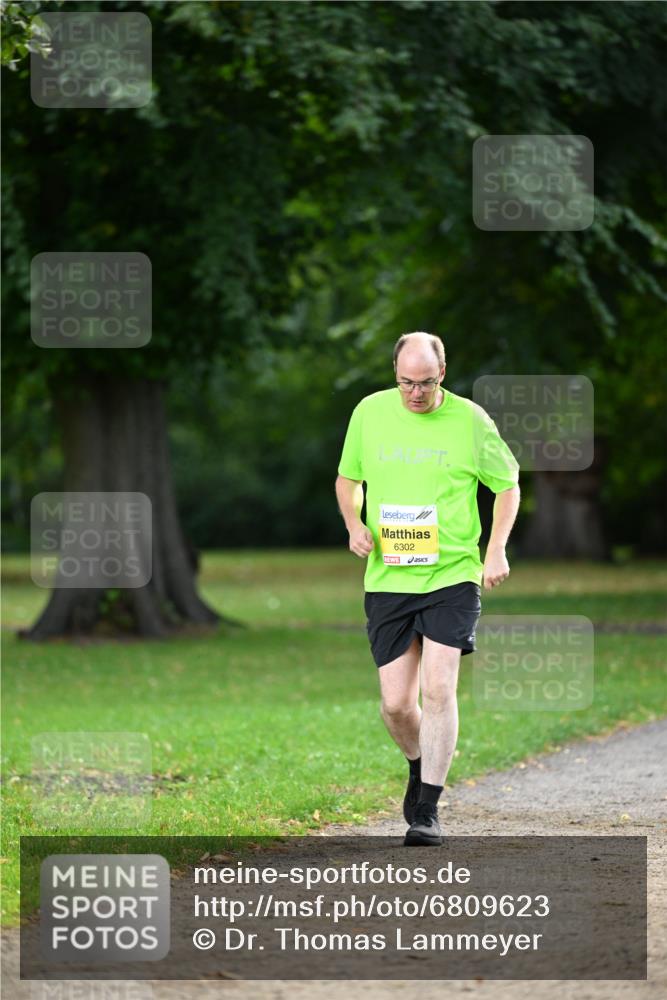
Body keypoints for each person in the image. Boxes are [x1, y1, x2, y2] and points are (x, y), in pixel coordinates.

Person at [335, 331, 520, 846]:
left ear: (444, 374)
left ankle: (428, 810)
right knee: (396, 704)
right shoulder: (369, 413)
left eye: (427, 383)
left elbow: (507, 484)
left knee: (438, 688)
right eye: (406, 384)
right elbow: (348, 479)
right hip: (390, 574)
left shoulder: (470, 421)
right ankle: (420, 766)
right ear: (394, 374)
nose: (415, 394)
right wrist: (353, 523)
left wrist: (496, 549)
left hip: (452, 573)